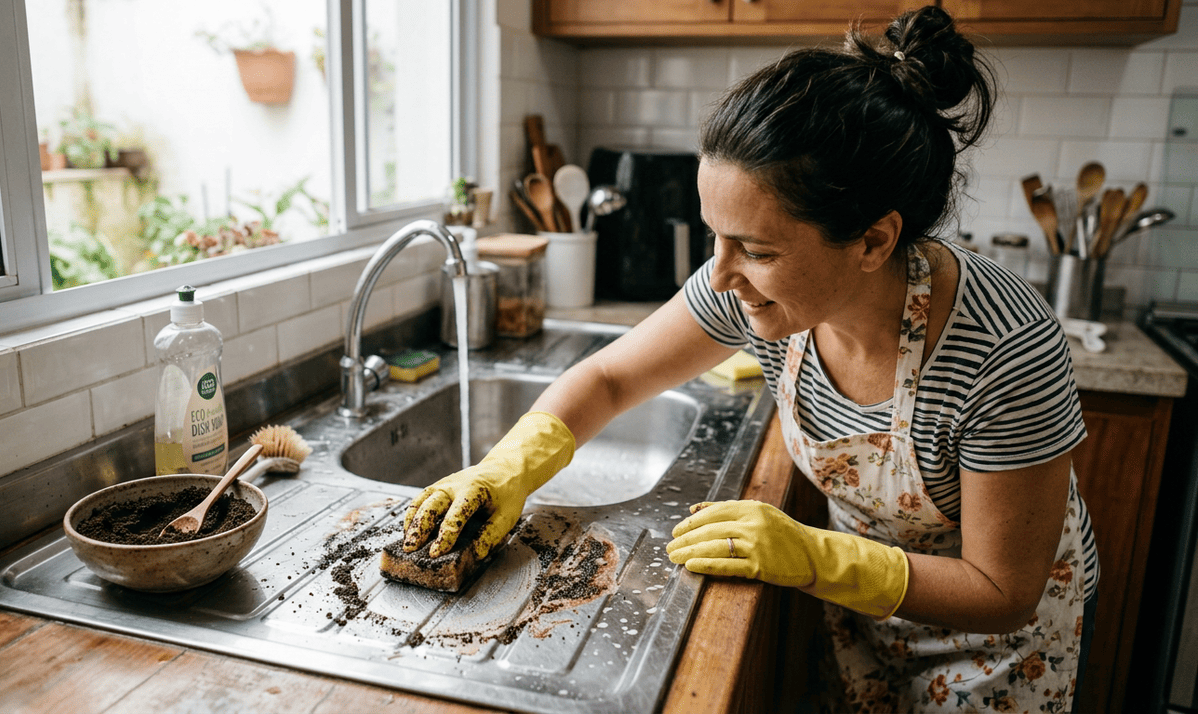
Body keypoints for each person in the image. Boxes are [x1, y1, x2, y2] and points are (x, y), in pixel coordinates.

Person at [400, 6, 1096, 711]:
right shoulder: (753, 292)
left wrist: (817, 557)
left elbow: (1003, 591)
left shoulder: (1004, 347)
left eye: (757, 250)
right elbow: (610, 377)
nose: (721, 275)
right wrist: (509, 467)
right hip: (861, 612)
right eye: (716, 237)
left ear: (873, 242)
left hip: (995, 656)